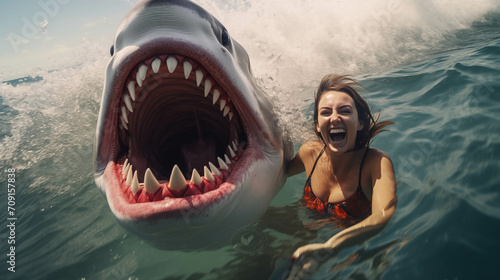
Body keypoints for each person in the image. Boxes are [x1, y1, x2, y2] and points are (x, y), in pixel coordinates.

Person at [286, 74, 397, 278]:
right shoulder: (310, 153)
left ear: (361, 122)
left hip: (351, 252)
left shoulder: (375, 163)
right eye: (325, 112)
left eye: (345, 111)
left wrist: (332, 246)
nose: (334, 118)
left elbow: (383, 215)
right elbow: (279, 172)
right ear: (318, 125)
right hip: (303, 234)